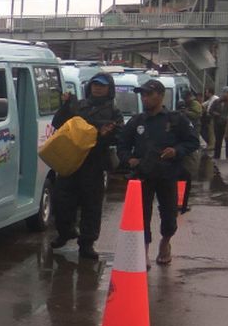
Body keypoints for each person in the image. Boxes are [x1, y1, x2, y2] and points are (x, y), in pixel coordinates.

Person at [117, 78, 201, 266]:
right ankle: (144, 251)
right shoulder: (136, 121)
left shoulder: (176, 119)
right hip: (143, 176)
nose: (145, 98)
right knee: (142, 216)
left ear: (161, 96)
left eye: (149, 94)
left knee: (169, 215)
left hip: (168, 175)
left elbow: (193, 142)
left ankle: (165, 243)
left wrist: (176, 151)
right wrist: (129, 159)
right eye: (143, 95)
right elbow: (122, 146)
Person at [49, 72, 124, 260]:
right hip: (71, 161)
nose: (97, 88)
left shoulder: (114, 112)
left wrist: (105, 132)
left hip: (94, 163)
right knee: (61, 200)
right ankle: (65, 232)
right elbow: (58, 123)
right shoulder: (79, 105)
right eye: (95, 84)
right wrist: (66, 106)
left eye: (102, 85)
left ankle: (87, 243)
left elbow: (118, 133)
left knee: (92, 205)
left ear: (109, 89)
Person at [178, 89, 204, 213]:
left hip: (189, 145)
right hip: (183, 150)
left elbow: (197, 115)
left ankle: (181, 203)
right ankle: (180, 203)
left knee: (185, 177)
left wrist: (186, 113)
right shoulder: (180, 119)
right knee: (185, 178)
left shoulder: (194, 106)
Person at [208, 87, 228, 160]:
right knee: (218, 140)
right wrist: (215, 114)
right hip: (218, 124)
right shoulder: (216, 101)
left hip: (227, 124)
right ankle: (217, 155)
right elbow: (210, 110)